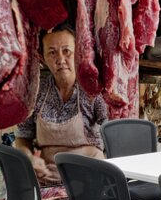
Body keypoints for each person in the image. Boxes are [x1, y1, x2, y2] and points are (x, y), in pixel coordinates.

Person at [14, 24, 106, 184]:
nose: (60, 60)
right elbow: (22, 138)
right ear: (42, 58)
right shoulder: (36, 92)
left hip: (90, 178)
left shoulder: (93, 90)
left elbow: (114, 131)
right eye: (52, 52)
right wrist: (29, 158)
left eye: (67, 51)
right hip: (47, 179)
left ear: (78, 53)